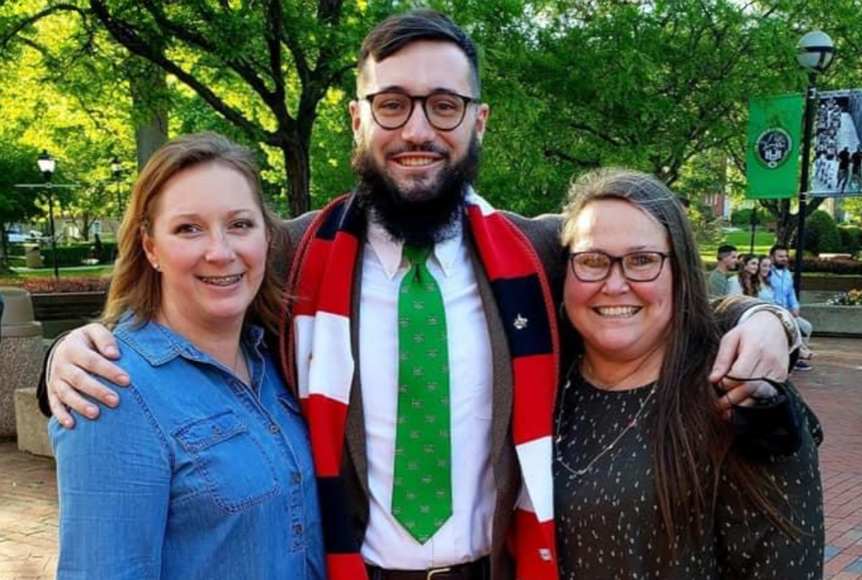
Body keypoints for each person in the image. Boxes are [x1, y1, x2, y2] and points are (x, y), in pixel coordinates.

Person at [39, 11, 801, 580]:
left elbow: (641, 279)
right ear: (357, 120)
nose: (418, 129)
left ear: (478, 122)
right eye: (393, 104)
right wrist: (61, 360)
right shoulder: (291, 251)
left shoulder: (533, 252)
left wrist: (769, 319)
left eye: (444, 106)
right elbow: (188, 280)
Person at [49, 134, 325, 579]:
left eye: (239, 224)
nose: (220, 252)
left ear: (267, 237)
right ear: (150, 247)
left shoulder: (278, 358)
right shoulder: (109, 391)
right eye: (188, 228)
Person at [555, 169, 824, 579]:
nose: (614, 284)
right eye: (591, 260)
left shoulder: (739, 394)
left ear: (680, 271)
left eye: (642, 260)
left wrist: (770, 318)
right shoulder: (541, 379)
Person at [769, 244, 815, 371]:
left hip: (788, 311)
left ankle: (796, 358)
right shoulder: (767, 272)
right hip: (774, 312)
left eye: (785, 256)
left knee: (806, 327)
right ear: (772, 257)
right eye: (780, 256)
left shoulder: (787, 274)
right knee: (791, 330)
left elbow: (790, 292)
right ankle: (792, 357)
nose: (784, 259)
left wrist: (795, 306)